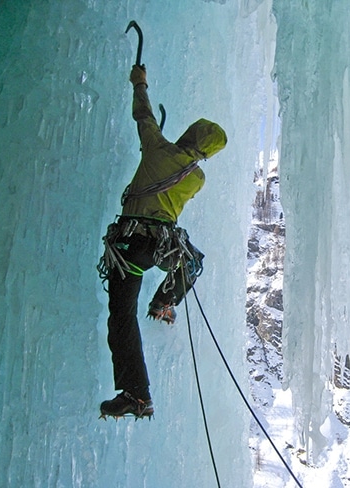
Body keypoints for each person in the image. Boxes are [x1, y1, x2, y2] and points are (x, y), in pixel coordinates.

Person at [98, 65, 227, 419]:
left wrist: (140, 83)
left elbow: (144, 116)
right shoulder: (197, 177)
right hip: (160, 246)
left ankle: (136, 394)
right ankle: (163, 303)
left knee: (122, 315)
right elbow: (173, 164)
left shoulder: (157, 147)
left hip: (128, 247)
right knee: (193, 263)